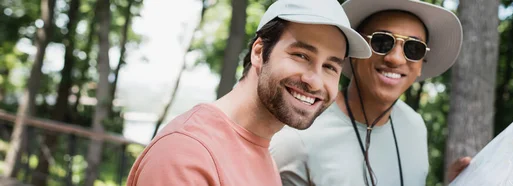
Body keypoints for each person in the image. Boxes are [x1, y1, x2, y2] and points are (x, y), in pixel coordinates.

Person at [126, 0, 372, 185]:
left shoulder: (262, 151)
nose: (315, 81)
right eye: (301, 55)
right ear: (258, 52)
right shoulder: (187, 153)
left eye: (330, 66)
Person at [269, 0, 470, 185]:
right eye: (382, 42)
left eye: (413, 48)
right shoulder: (297, 139)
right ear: (355, 51)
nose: (396, 59)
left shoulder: (415, 126)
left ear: (420, 65)